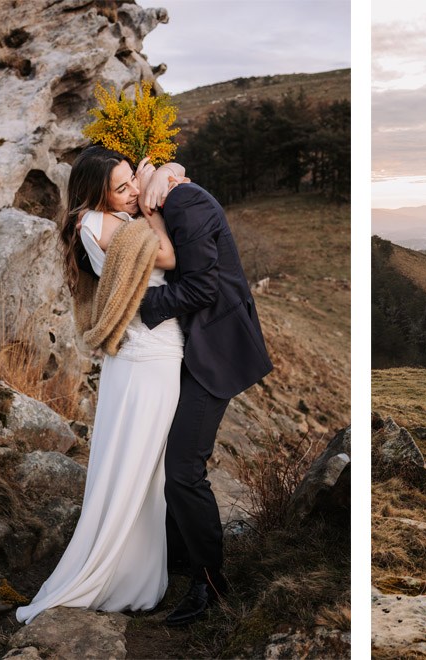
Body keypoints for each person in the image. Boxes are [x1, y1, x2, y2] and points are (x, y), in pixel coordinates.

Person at [16, 145, 185, 624]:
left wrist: (164, 171)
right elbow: (168, 257)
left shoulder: (96, 221)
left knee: (139, 465)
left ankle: (134, 573)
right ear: (98, 193)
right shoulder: (106, 225)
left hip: (144, 354)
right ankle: (113, 575)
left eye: (134, 181)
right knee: (136, 465)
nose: (133, 193)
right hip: (147, 356)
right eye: (123, 188)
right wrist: (154, 209)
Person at [138, 174, 273, 626]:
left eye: (128, 180)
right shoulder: (159, 201)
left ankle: (210, 582)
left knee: (182, 471)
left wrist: (134, 301)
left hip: (212, 352)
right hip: (178, 352)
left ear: (146, 167)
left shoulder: (185, 202)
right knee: (165, 459)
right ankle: (178, 558)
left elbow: (202, 289)